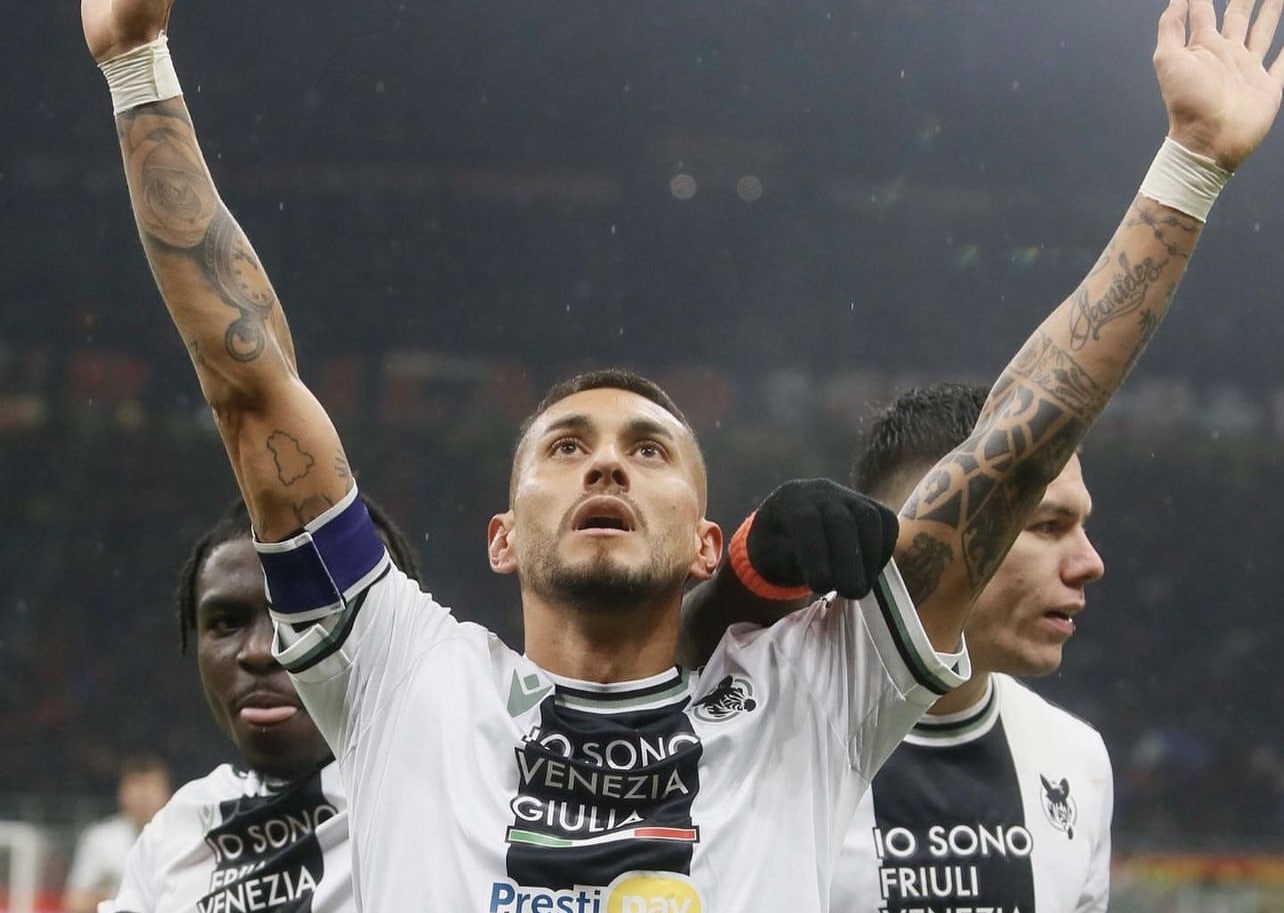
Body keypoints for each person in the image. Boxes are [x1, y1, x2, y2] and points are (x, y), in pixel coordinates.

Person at [81, 0, 1283, 907]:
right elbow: (250, 381)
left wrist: (1190, 164)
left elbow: (1023, 439)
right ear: (501, 538)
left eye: (650, 448)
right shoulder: (405, 676)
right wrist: (137, 63)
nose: (606, 465)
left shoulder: (813, 697)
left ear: (711, 543)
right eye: (566, 446)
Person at [685, 382, 1113, 912]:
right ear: (921, 536)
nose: (1089, 562)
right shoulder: (763, 730)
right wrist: (746, 577)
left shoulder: (1079, 759)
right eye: (1047, 525)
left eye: (1081, 526)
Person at [103, 495, 422, 913]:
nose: (259, 650)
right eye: (227, 623)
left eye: (303, 619)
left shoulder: (440, 797)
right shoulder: (172, 837)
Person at [63, 755, 171, 913]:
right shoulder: (100, 838)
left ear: (167, 794)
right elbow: (74, 903)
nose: (143, 797)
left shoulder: (182, 837)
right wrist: (120, 895)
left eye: (151, 788)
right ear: (122, 792)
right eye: (137, 787)